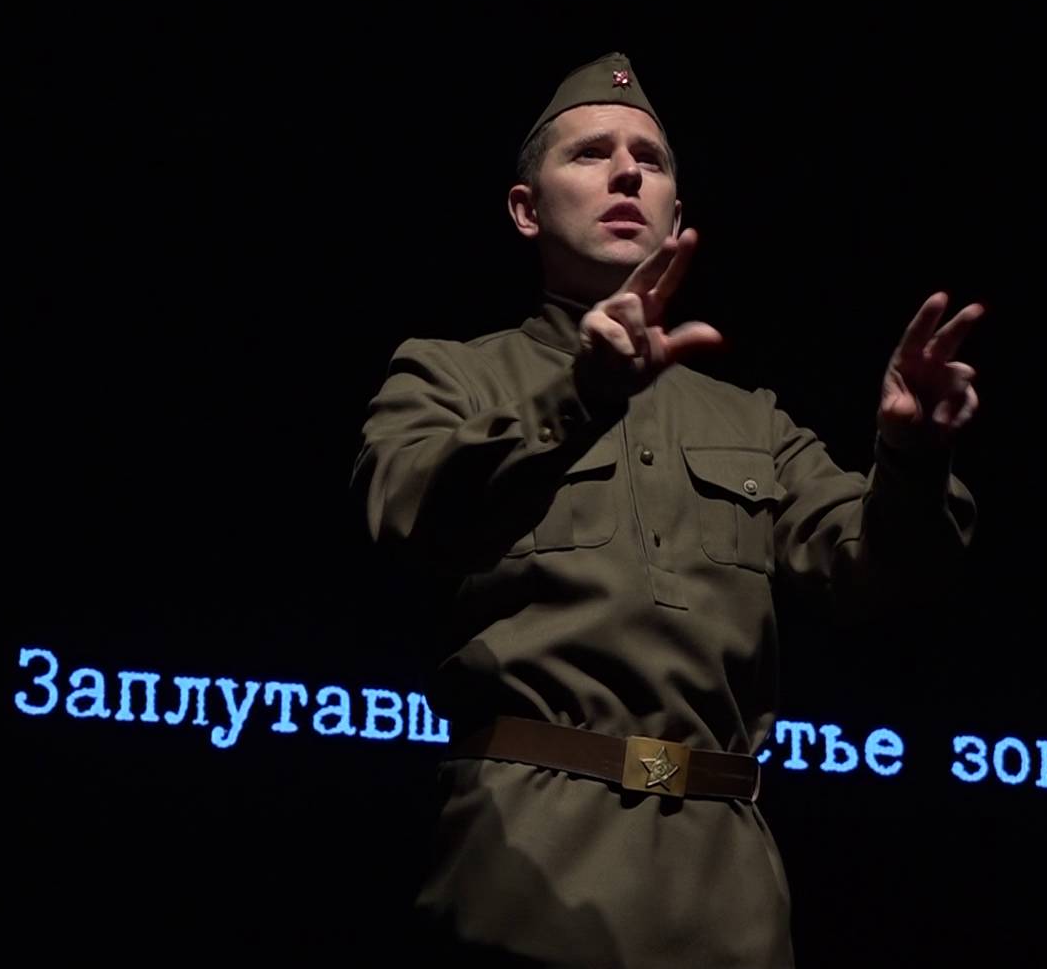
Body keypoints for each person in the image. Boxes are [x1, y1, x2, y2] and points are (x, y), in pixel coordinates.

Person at [351, 52, 981, 967]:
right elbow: (410, 515)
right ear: (526, 209)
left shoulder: (751, 421)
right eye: (591, 153)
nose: (626, 174)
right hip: (527, 859)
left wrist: (913, 456)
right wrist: (581, 396)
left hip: (728, 885)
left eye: (648, 160)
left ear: (676, 216)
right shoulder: (451, 374)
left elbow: (878, 572)